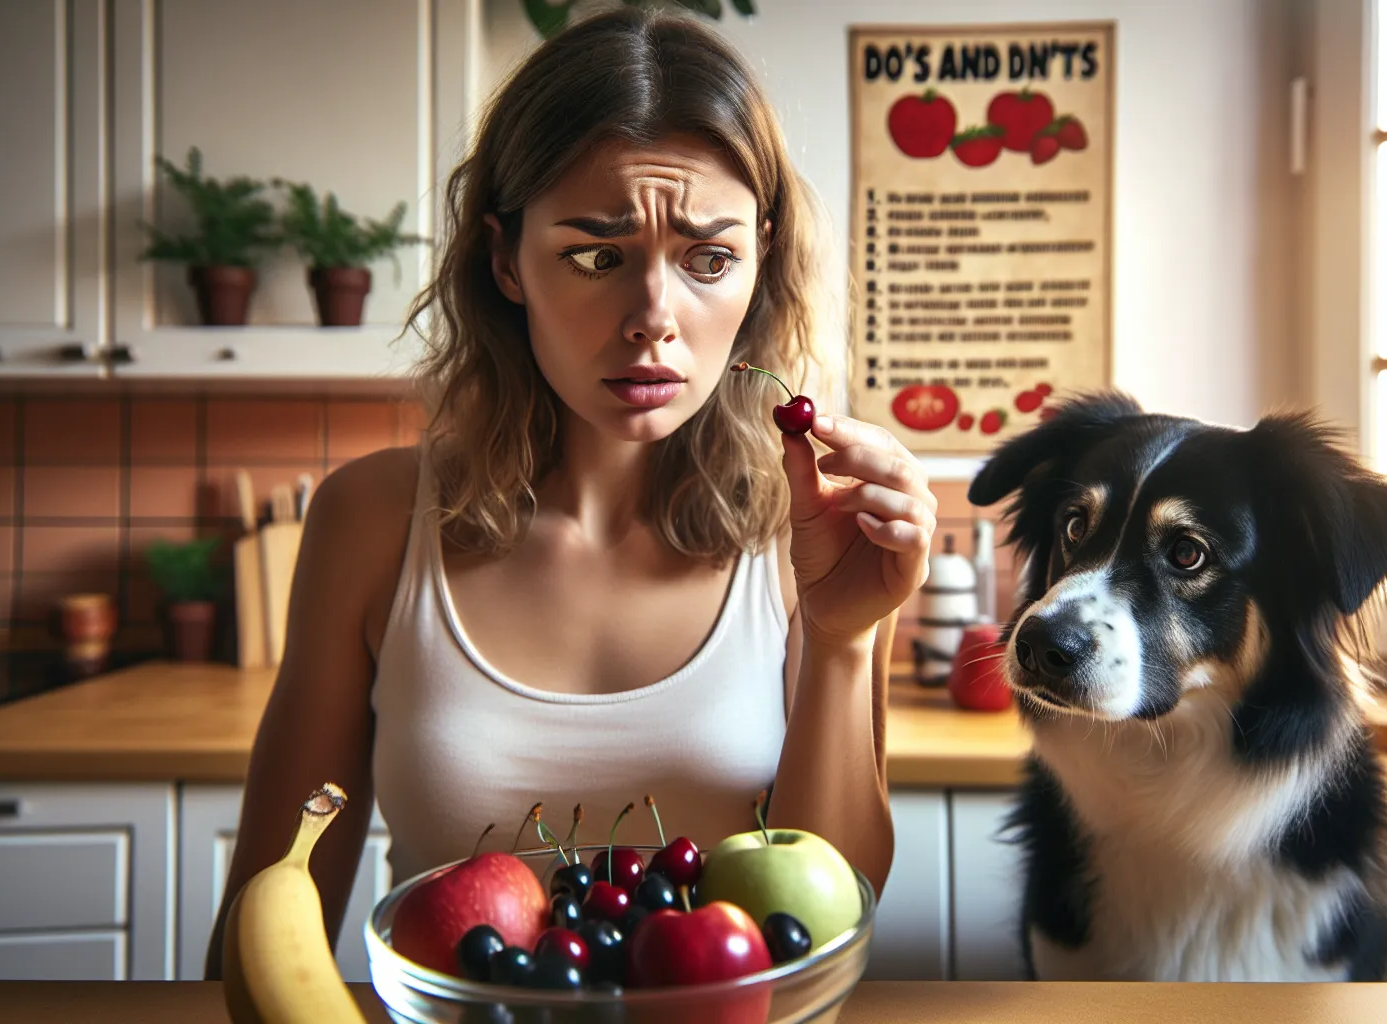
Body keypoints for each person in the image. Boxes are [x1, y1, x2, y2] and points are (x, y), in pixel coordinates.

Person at [207, 6, 935, 973]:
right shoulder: (374, 522)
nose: (653, 319)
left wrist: (841, 640)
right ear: (506, 259)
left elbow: (831, 918)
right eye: (596, 255)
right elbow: (268, 919)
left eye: (708, 259)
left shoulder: (811, 533)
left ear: (759, 260)